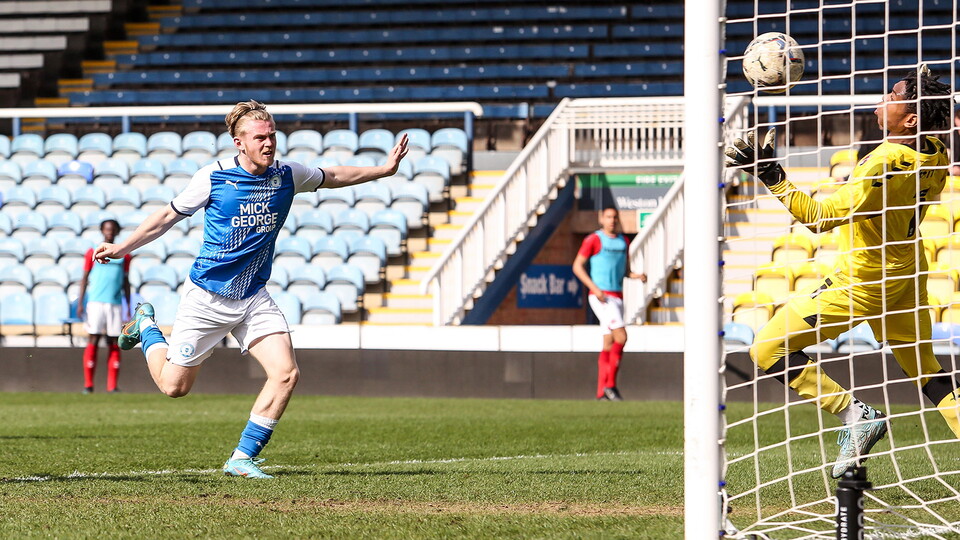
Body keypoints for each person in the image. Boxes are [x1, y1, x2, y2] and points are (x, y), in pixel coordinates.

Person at [94, 100, 409, 479]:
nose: (269, 142)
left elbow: (335, 175)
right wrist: (122, 247)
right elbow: (165, 217)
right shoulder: (213, 177)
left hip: (253, 297)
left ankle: (242, 457)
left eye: (272, 134)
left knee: (287, 373)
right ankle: (146, 326)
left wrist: (384, 169)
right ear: (238, 142)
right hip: (207, 298)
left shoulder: (288, 174)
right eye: (260, 137)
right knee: (174, 387)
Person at [725, 67, 960, 479]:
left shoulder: (884, 164)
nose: (881, 99)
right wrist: (921, 90)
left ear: (909, 118)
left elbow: (819, 217)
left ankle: (856, 414)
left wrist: (771, 175)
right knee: (929, 373)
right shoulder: (936, 151)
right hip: (906, 275)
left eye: (892, 95)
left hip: (863, 283)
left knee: (766, 350)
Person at [572, 206, 647, 401]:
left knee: (608, 341)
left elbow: (625, 271)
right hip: (601, 296)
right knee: (621, 337)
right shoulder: (594, 240)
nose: (612, 220)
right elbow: (577, 266)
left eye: (615, 217)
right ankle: (610, 386)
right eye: (608, 217)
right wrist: (594, 288)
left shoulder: (624, 241)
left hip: (617, 296)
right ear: (601, 219)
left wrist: (636, 275)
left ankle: (600, 392)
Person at [76, 219, 131, 394]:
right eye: (107, 229)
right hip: (96, 302)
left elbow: (125, 281)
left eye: (113, 229)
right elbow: (85, 278)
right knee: (94, 338)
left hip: (114, 302)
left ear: (117, 231)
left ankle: (112, 386)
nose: (109, 232)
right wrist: (80, 302)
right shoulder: (92, 252)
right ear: (102, 231)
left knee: (114, 340)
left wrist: (128, 305)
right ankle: (88, 384)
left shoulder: (124, 254)